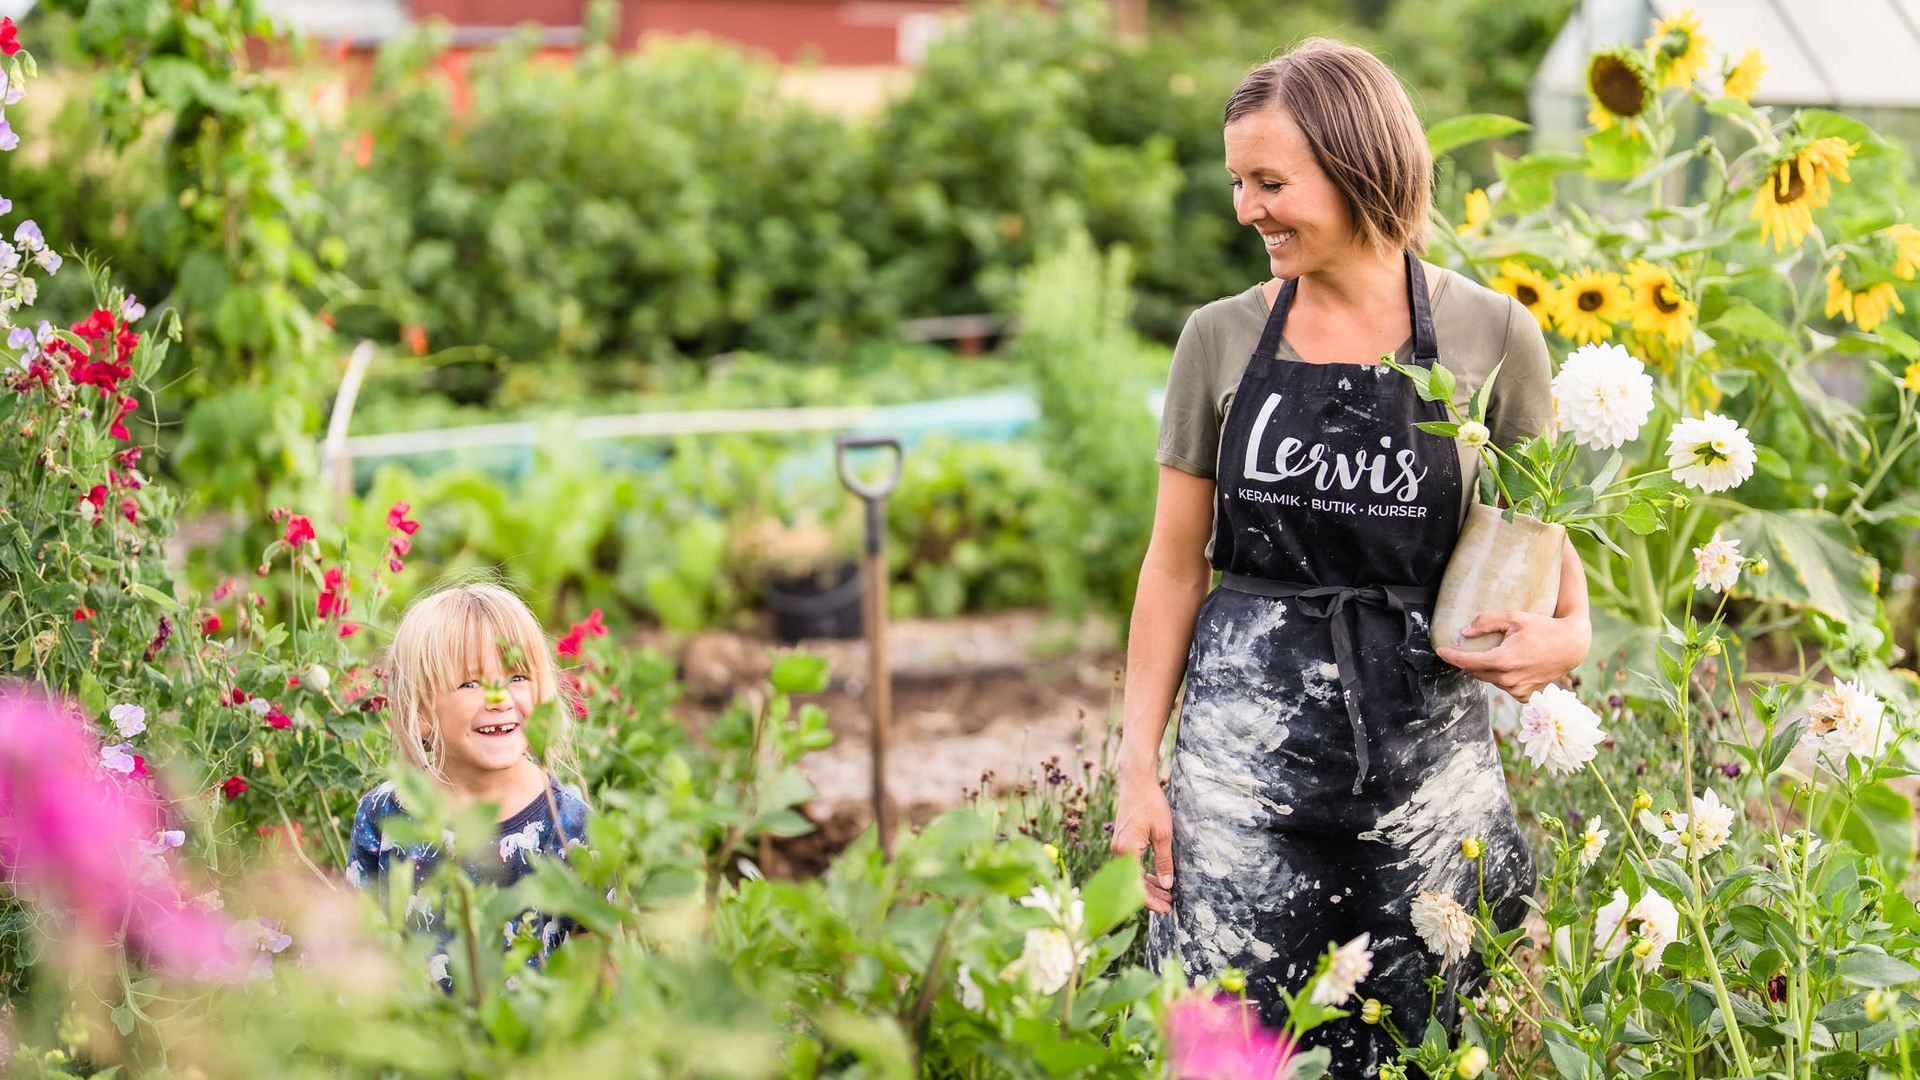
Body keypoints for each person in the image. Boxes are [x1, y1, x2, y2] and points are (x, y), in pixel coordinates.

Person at [1108, 39, 1591, 1076]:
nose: (1247, 208)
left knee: (1431, 1043)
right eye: (1239, 182)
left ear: (1361, 167)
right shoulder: (1219, 339)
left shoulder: (1495, 337)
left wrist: (1572, 633)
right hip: (1241, 782)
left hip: (1427, 786)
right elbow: (1173, 566)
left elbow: (1541, 534)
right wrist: (1136, 768)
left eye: (1270, 182)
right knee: (1232, 1043)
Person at [346, 581, 592, 987]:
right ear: (421, 711)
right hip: (419, 1042)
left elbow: (600, 971)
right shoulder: (385, 814)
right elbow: (359, 947)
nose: (497, 698)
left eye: (516, 676)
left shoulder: (569, 826)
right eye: (470, 684)